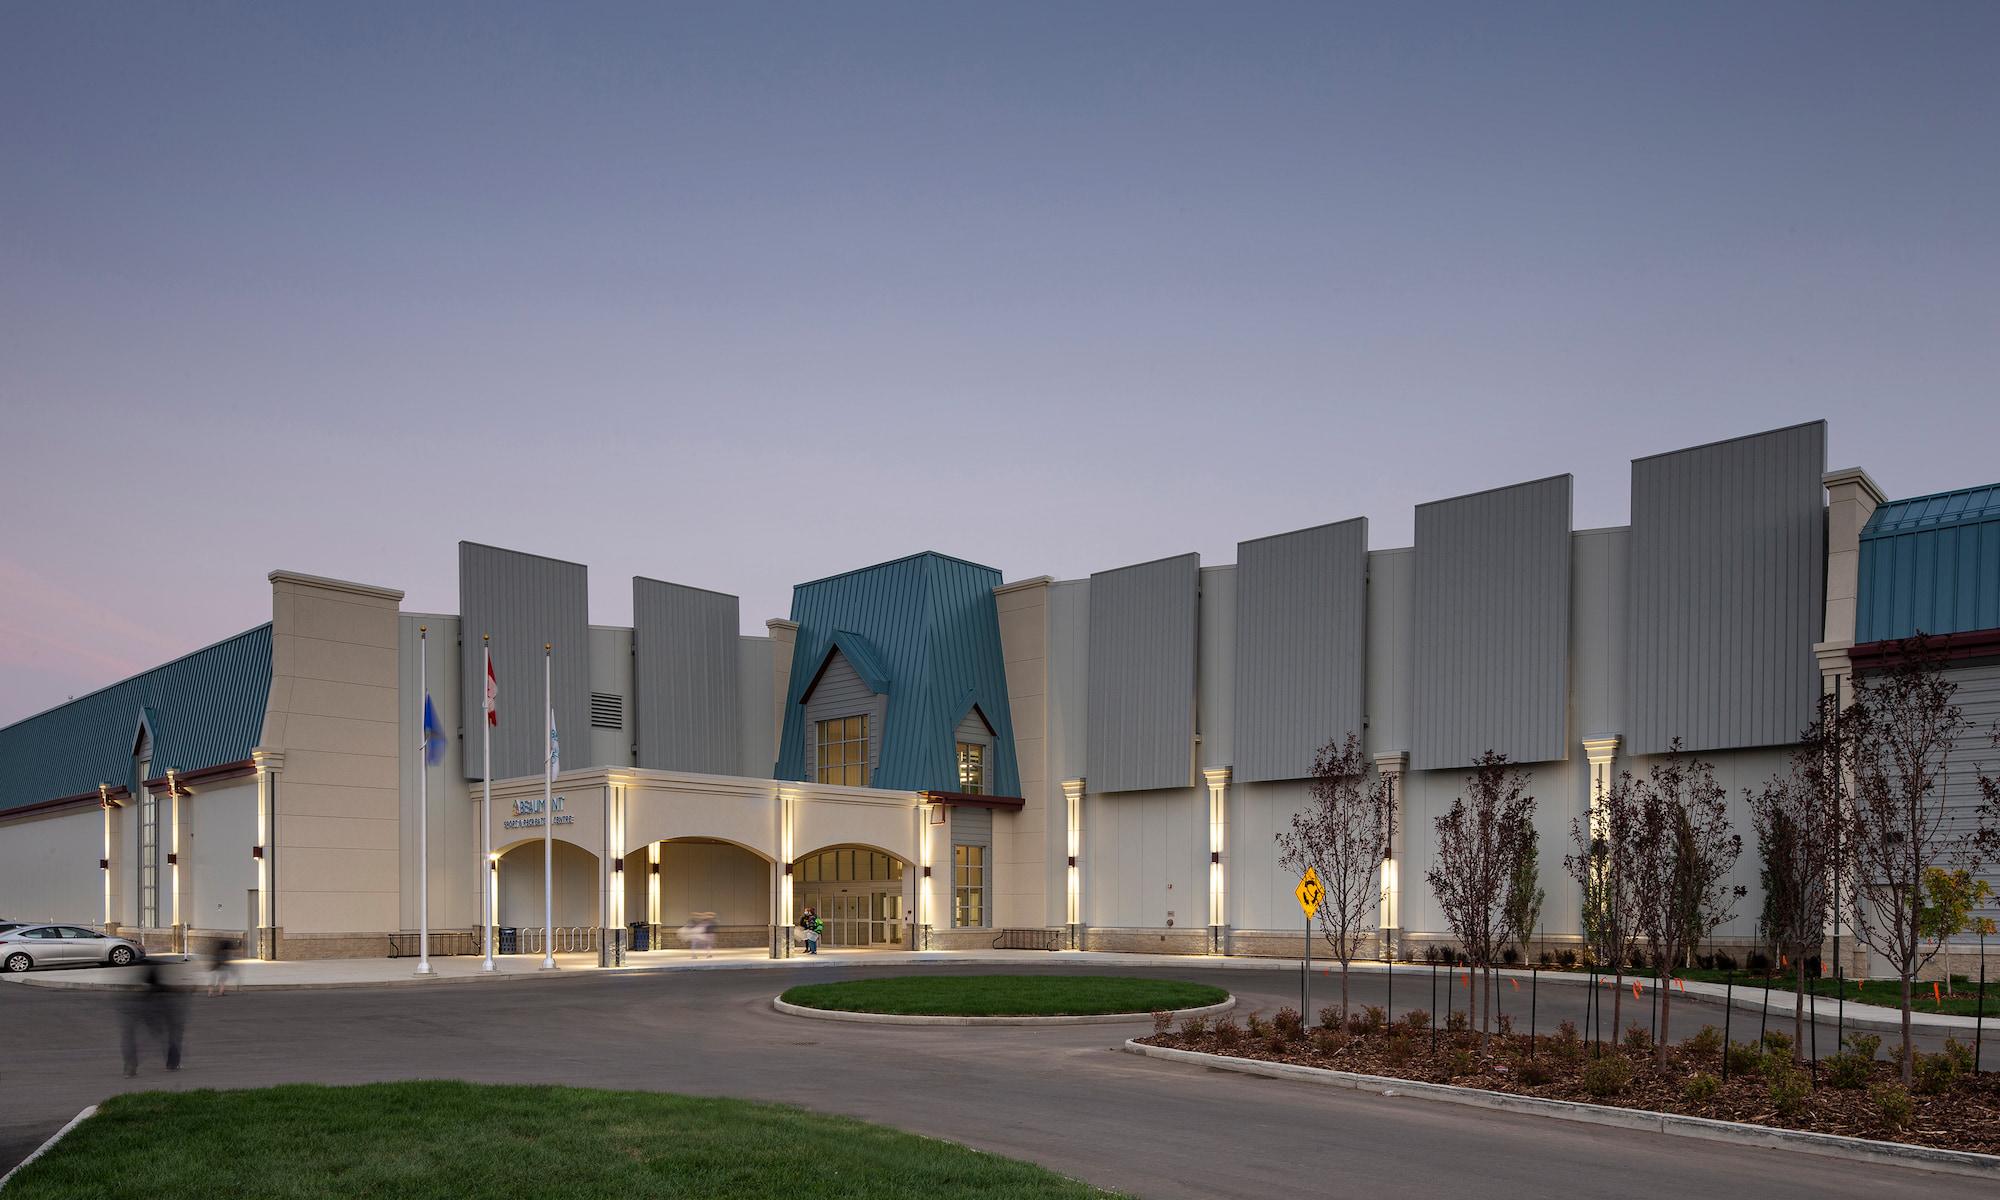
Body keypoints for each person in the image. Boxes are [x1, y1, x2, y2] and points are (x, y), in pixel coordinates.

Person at [121, 961, 184, 1077]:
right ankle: (172, 1064)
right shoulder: (161, 989)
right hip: (159, 1007)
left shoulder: (145, 990)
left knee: (133, 1036)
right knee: (174, 1032)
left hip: (145, 1008)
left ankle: (130, 1066)